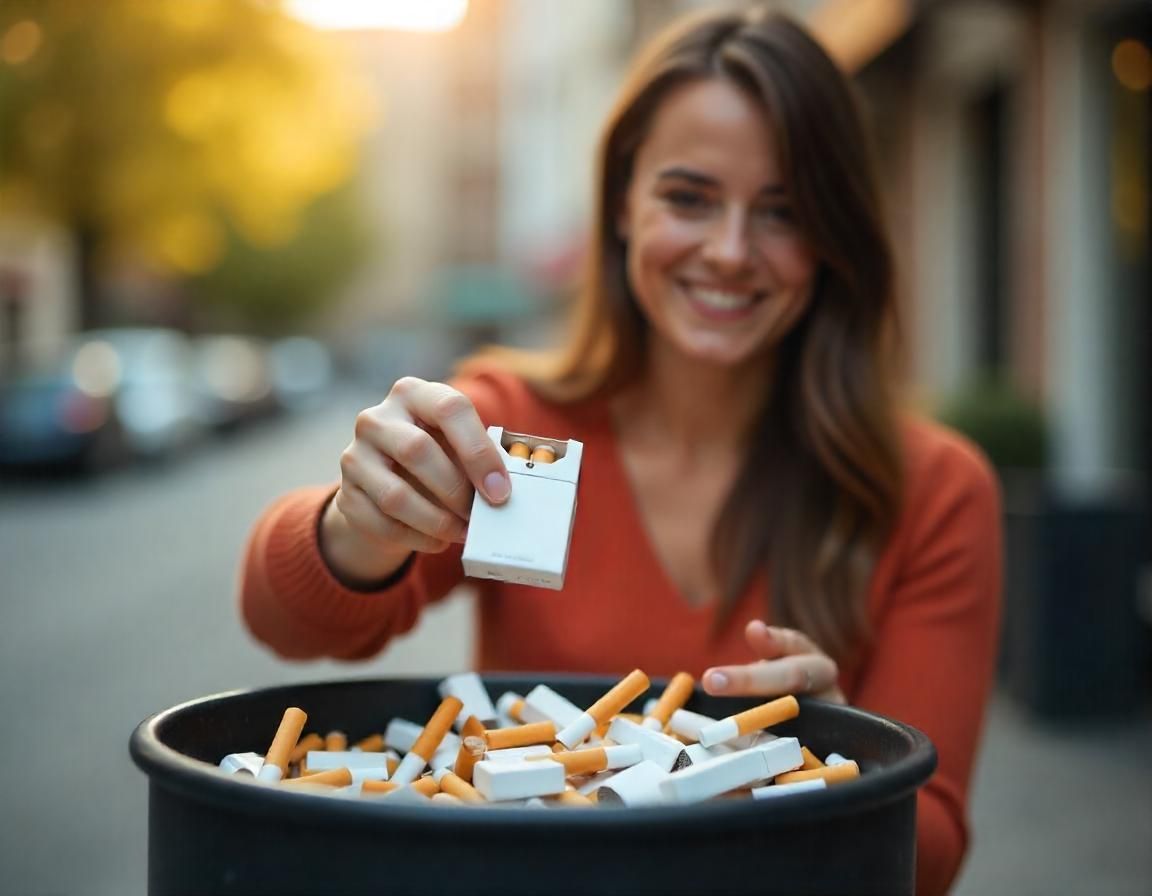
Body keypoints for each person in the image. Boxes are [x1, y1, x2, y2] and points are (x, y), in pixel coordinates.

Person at [240, 6, 1000, 894]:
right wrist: (355, 527)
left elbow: (933, 850)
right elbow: (282, 621)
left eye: (783, 212)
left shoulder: (932, 489)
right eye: (689, 197)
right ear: (621, 205)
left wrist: (842, 759)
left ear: (836, 237)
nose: (728, 252)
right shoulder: (514, 427)